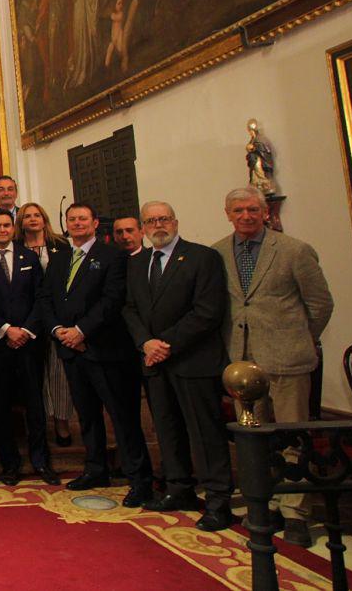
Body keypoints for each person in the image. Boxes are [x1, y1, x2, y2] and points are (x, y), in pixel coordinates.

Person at [213, 186, 333, 546]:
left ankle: (295, 510)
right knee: (254, 439)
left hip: (287, 359)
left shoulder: (294, 250)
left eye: (252, 210)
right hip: (242, 362)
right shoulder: (218, 252)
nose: (246, 216)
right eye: (238, 210)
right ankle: (263, 504)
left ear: (264, 213)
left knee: (292, 434)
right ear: (228, 214)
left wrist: (299, 337)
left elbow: (320, 303)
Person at [121, 201, 233, 532]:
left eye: (163, 219)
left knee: (204, 433)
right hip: (154, 362)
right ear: (142, 227)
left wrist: (164, 345)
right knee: (167, 429)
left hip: (192, 361)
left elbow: (207, 312)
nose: (158, 225)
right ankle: (179, 488)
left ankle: (218, 500)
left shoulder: (202, 257)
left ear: (175, 221)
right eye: (151, 220)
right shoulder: (138, 263)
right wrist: (145, 343)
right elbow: (129, 308)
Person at [38, 203, 152, 507]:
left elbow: (112, 299)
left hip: (106, 349)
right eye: (71, 219)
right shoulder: (60, 257)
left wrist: (81, 331)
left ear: (95, 223)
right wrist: (58, 330)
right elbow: (46, 297)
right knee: (87, 416)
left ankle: (138, 478)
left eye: (82, 219)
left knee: (122, 417)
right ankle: (96, 468)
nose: (76, 223)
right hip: (71, 350)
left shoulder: (113, 256)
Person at [0, 209, 60, 486]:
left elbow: (40, 297)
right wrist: (6, 329)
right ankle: (9, 464)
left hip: (29, 343)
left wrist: (27, 329)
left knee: (35, 405)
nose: (1, 229)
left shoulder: (28, 256)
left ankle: (41, 461)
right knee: (2, 406)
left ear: (13, 227)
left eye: (6, 225)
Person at [17, 202, 74, 447]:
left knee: (58, 372)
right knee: (33, 375)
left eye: (36, 215)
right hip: (27, 319)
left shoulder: (61, 245)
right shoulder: (16, 247)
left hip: (56, 316)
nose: (32, 219)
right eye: (27, 216)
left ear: (44, 218)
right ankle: (37, 423)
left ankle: (61, 422)